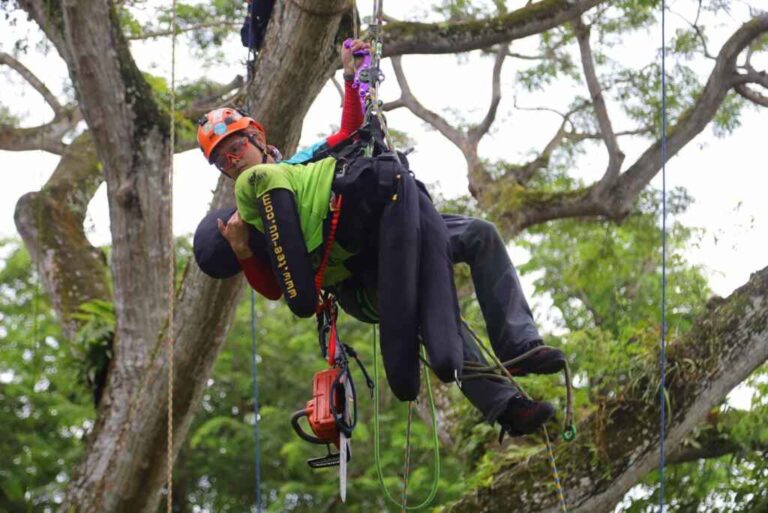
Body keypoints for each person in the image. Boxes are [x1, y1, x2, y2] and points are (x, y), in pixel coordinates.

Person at [193, 39, 565, 436]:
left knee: (479, 234)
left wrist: (353, 75)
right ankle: (507, 407)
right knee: (430, 309)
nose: (233, 159)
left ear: (257, 137)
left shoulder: (306, 163)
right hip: (360, 272)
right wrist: (243, 249)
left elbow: (351, 132)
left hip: (392, 222)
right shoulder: (257, 213)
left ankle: (518, 345)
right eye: (223, 160)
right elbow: (278, 289)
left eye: (235, 147)